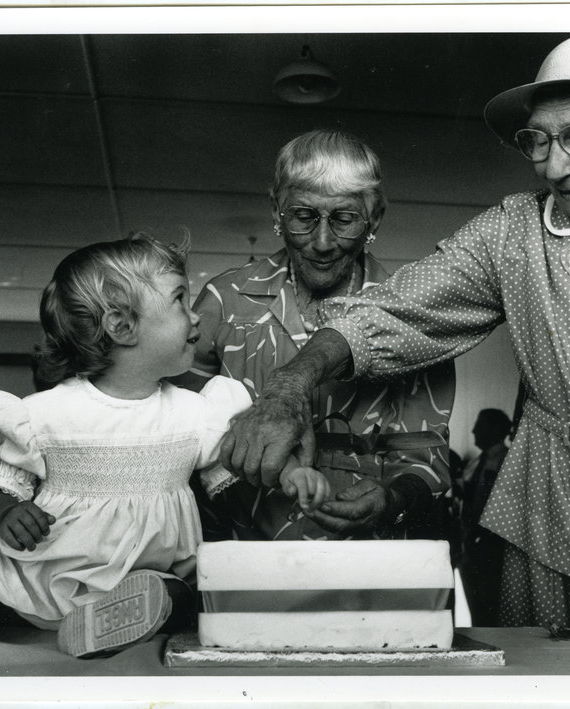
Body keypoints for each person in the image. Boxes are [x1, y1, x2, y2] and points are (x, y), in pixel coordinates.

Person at [220, 34, 570, 664]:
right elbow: (395, 309)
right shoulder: (513, 232)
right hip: (545, 530)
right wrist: (290, 386)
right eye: (537, 140)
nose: (551, 167)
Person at [0, 234, 327, 658]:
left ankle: (103, 627)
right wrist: (5, 512)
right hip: (43, 556)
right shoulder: (44, 412)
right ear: (121, 326)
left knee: (179, 590)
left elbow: (238, 457)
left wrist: (291, 473)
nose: (195, 314)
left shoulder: (196, 411)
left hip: (140, 572)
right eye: (180, 299)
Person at [173, 129, 455, 541]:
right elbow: (174, 424)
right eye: (303, 216)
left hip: (365, 556)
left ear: (374, 218)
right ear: (276, 209)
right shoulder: (224, 300)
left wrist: (393, 501)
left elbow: (426, 460)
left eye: (344, 219)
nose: (322, 243)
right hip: (239, 548)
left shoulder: (412, 315)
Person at [457, 408, 511, 626]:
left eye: (480, 426)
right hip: (472, 544)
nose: (473, 431)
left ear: (494, 430)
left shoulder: (506, 460)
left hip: (490, 545)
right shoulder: (477, 461)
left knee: (489, 604)